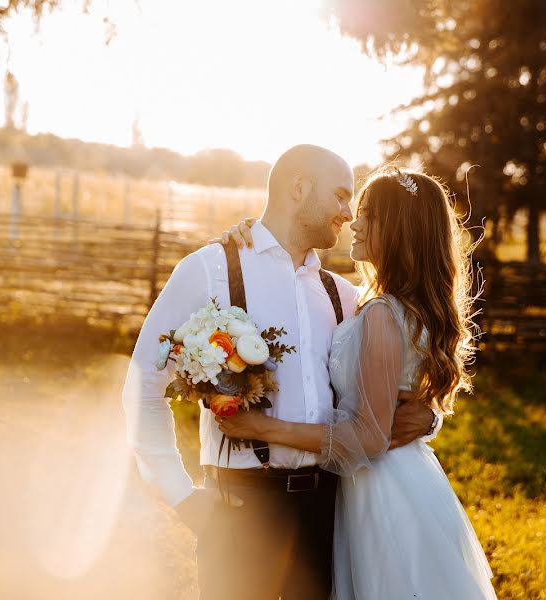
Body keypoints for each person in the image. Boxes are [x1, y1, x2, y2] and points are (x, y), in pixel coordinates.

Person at [122, 145, 439, 600]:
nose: (349, 214)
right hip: (241, 506)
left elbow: (396, 381)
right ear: (298, 188)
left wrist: (431, 418)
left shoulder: (345, 297)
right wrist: (183, 497)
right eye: (341, 196)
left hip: (327, 509)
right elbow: (143, 385)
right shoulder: (210, 271)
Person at [217, 167, 497, 598]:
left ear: (400, 230)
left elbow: (368, 437)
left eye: (368, 213)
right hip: (401, 479)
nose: (353, 221)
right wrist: (252, 236)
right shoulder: (376, 302)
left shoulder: (382, 313)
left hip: (380, 491)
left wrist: (260, 428)